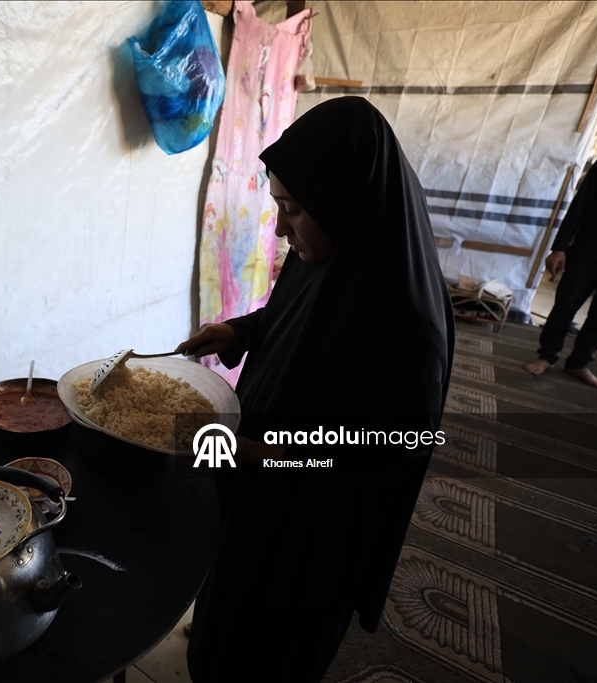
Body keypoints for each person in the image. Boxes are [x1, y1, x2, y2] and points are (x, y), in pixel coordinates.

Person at [175, 97, 454, 682]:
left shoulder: (410, 329)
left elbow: (386, 450)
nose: (280, 230)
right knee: (221, 623)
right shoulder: (325, 256)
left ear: (342, 199)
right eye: (278, 205)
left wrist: (258, 450)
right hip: (255, 496)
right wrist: (239, 329)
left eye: (294, 210)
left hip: (309, 542)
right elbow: (292, 322)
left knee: (267, 657)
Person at [524, 154, 597, 389]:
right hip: (589, 250)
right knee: (565, 306)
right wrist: (559, 248)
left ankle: (579, 363)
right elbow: (579, 205)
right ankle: (547, 356)